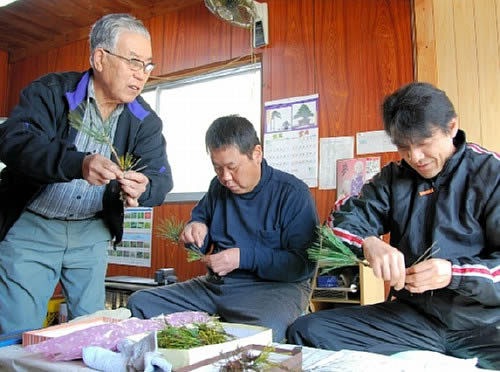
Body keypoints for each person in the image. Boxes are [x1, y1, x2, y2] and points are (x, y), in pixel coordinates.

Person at [287, 82, 500, 369]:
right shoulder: (393, 178)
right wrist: (369, 243)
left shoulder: (491, 173)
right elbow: (338, 220)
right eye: (404, 147)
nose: (415, 157)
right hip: (413, 318)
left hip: (483, 323)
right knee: (307, 331)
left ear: (452, 127)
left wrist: (453, 273)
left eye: (424, 144)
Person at [0, 13, 173, 334]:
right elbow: (15, 142)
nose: (142, 75)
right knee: (17, 331)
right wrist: (76, 164)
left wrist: (144, 187)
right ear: (100, 58)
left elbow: (162, 178)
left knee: (92, 331)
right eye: (134, 62)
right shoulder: (51, 92)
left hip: (91, 233)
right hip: (32, 227)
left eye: (148, 65)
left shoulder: (144, 119)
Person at [127, 115, 318, 342]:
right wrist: (195, 229)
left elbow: (303, 265)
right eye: (217, 168)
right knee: (140, 303)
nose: (225, 177)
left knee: (265, 332)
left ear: (257, 154)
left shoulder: (292, 193)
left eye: (232, 167)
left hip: (275, 289)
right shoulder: (218, 187)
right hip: (215, 286)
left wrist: (244, 258)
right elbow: (201, 224)